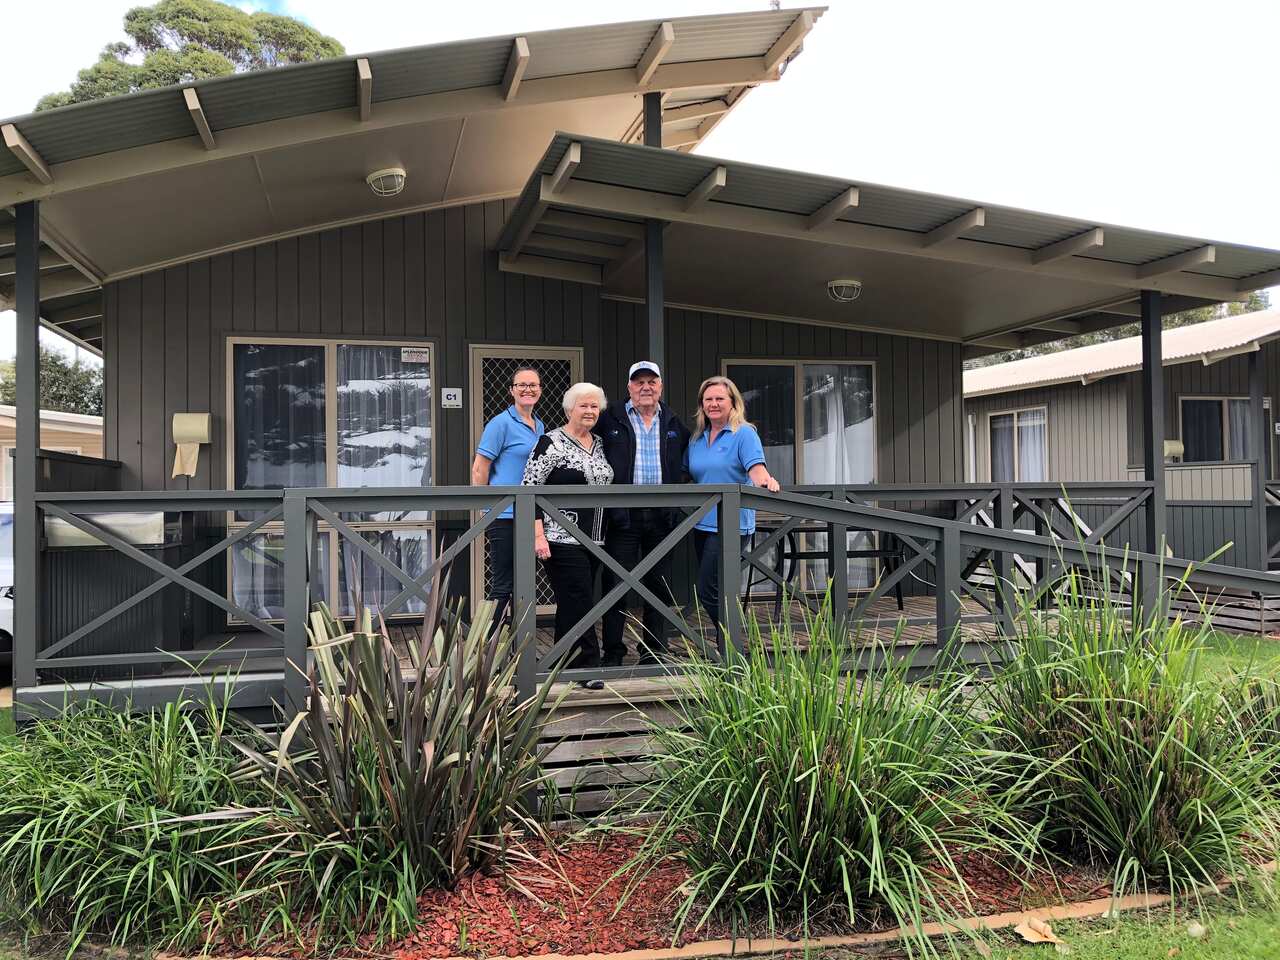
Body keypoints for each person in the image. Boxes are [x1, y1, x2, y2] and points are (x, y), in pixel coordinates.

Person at [594, 360, 691, 665]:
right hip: (622, 517)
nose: (646, 387)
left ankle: (654, 652)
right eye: (639, 382)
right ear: (629, 388)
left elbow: (689, 466)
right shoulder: (609, 419)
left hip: (662, 518)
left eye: (652, 382)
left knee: (659, 587)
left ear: (660, 387)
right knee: (615, 586)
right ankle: (613, 653)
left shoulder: (675, 424)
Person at [522, 382, 614, 688]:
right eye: (583, 406)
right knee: (579, 597)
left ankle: (562, 662)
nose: (589, 411)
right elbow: (529, 488)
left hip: (598, 538)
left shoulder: (600, 443)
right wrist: (537, 535)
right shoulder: (550, 443)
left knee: (573, 601)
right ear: (568, 410)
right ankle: (588, 668)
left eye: (594, 406)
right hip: (560, 535)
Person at [685, 375, 780, 636]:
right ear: (702, 405)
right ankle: (727, 647)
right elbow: (685, 474)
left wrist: (765, 482)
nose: (714, 404)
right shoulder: (697, 438)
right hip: (702, 523)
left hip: (732, 523)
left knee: (708, 589)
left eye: (719, 399)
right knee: (718, 589)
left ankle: (736, 642)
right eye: (708, 399)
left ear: (733, 402)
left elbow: (757, 470)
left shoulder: (744, 433)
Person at [471, 365, 544, 628]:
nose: (527, 389)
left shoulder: (539, 425)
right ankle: (490, 651)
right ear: (512, 390)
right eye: (521, 385)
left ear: (540, 390)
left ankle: (518, 651)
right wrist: (484, 507)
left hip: (530, 514)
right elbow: (480, 467)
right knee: (503, 584)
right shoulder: (500, 423)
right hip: (504, 514)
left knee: (523, 583)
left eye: (533, 385)